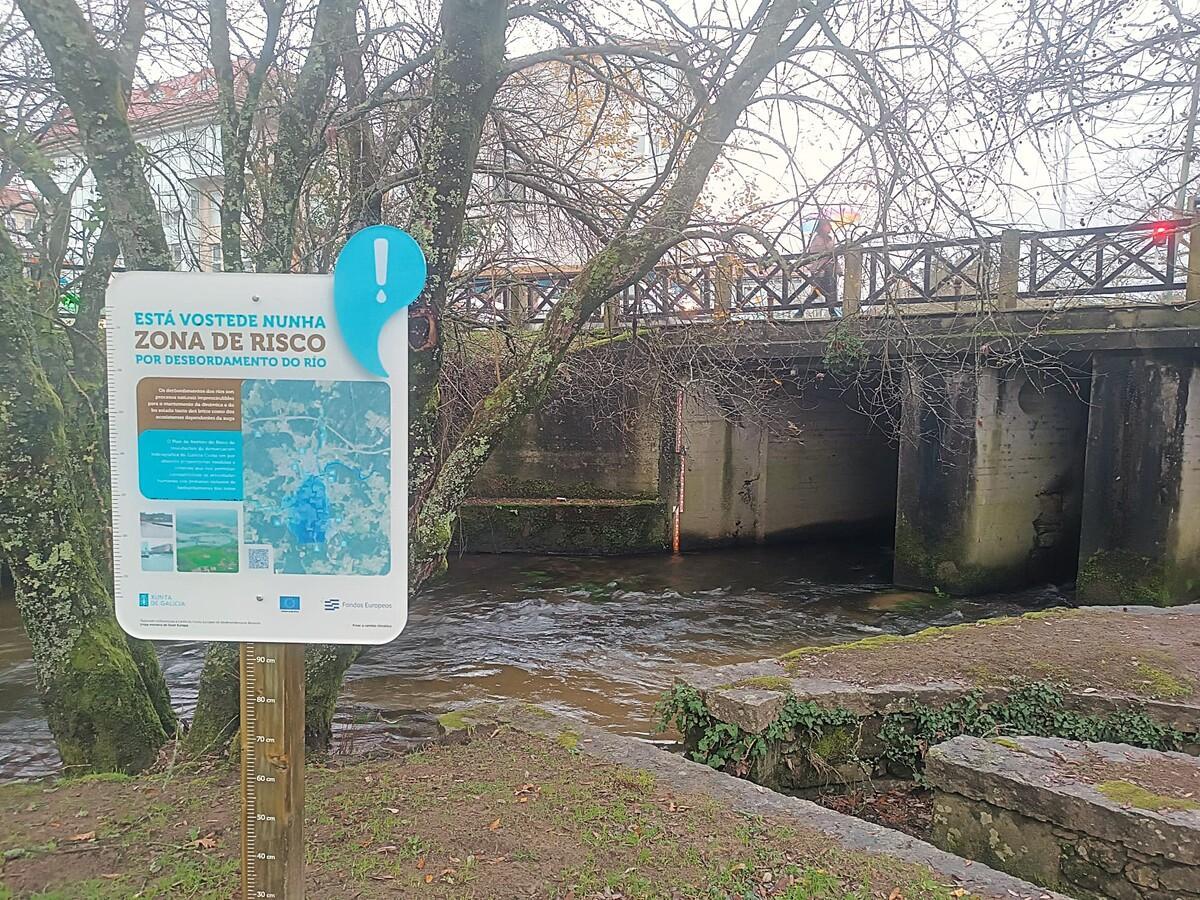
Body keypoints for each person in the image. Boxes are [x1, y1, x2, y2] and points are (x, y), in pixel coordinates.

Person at [805, 213, 841, 318]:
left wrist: (839, 270)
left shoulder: (830, 239)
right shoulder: (817, 240)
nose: (830, 227)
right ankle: (832, 312)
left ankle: (802, 309)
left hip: (830, 269)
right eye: (827, 225)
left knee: (823, 292)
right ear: (822, 227)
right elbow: (815, 255)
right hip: (822, 270)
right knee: (825, 291)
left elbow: (834, 256)